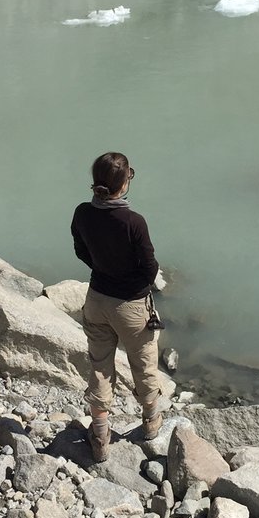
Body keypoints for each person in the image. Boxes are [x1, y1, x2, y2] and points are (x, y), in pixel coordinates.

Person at [70, 151, 163, 461]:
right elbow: (149, 267)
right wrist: (135, 286)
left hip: (96, 299)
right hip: (132, 305)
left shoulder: (82, 213)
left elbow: (81, 250)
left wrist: (102, 267)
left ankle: (99, 433)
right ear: (123, 184)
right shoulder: (133, 221)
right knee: (144, 363)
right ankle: (151, 423)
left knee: (100, 366)